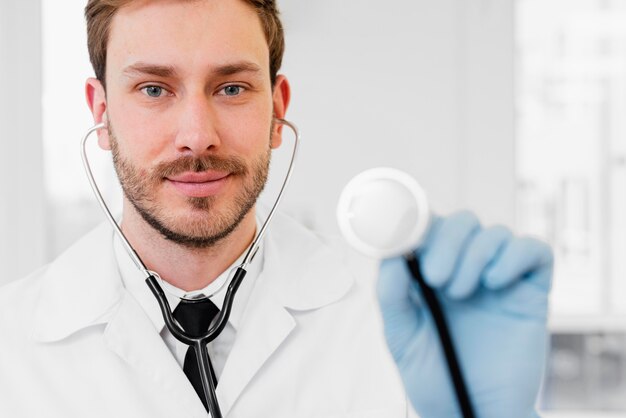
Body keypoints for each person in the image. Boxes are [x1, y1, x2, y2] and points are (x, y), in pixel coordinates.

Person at [0, 0, 553, 417]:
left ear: (277, 109)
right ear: (101, 112)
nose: (197, 136)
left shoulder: (399, 328)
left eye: (232, 88)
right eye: (153, 89)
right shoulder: (11, 346)